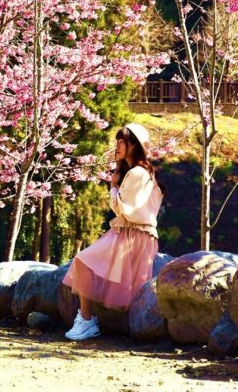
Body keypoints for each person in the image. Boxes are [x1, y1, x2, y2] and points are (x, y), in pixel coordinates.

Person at [62, 123, 165, 341]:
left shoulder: (137, 173)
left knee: (83, 261)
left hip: (132, 233)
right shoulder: (139, 172)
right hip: (136, 234)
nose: (117, 146)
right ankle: (91, 321)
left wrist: (114, 187)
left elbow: (123, 209)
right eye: (117, 141)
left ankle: (87, 320)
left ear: (134, 145)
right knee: (93, 267)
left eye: (122, 142)